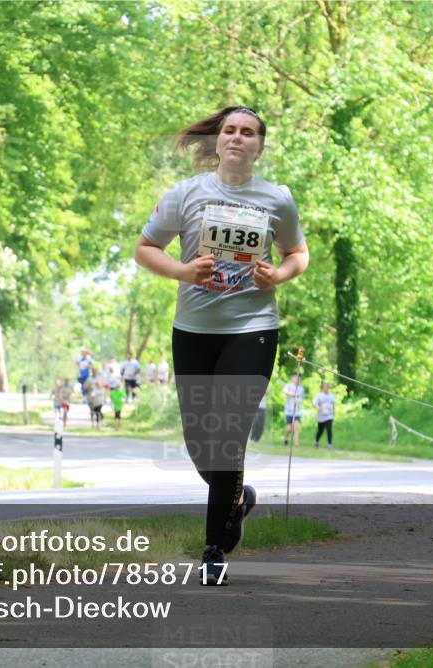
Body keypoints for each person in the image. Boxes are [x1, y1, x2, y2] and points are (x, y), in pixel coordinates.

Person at [135, 105, 308, 585]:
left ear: (259, 146)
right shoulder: (186, 194)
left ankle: (214, 547)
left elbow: (298, 253)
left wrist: (279, 274)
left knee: (227, 436)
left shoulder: (277, 199)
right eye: (229, 130)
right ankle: (236, 497)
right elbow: (145, 248)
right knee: (200, 443)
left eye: (248, 132)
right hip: (193, 328)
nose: (237, 138)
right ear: (216, 142)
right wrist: (182, 271)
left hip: (252, 326)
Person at [283, 372, 305, 447]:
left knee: (297, 427)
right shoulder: (289, 385)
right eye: (295, 377)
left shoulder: (301, 388)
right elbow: (284, 391)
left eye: (298, 378)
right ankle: (286, 438)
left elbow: (301, 398)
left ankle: (296, 443)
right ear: (292, 378)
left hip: (297, 411)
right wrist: (292, 394)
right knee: (289, 429)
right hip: (289, 411)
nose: (297, 379)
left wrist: (298, 400)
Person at [313, 381, 335, 450]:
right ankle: (317, 441)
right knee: (320, 430)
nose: (326, 388)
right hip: (321, 417)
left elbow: (333, 405)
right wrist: (319, 408)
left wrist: (334, 411)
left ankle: (329, 444)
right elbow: (315, 404)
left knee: (329, 429)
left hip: (329, 416)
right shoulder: (319, 395)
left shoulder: (331, 396)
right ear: (322, 388)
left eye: (327, 387)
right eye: (324, 387)